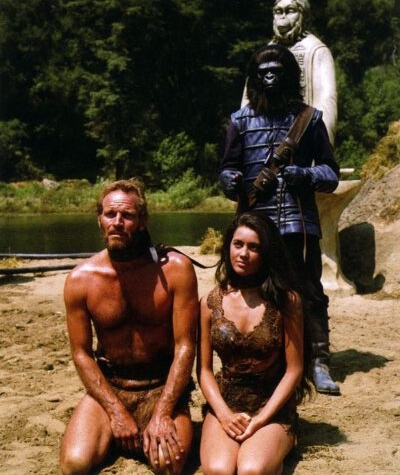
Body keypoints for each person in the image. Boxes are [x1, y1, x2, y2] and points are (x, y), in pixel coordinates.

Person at [220, 43, 341, 395]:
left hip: (298, 222)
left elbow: (331, 173)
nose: (270, 78)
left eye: (277, 72)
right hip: (254, 223)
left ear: (289, 77)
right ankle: (257, 356)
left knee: (309, 291)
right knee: (250, 291)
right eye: (264, 73)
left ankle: (318, 361)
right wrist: (229, 180)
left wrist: (306, 174)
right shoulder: (239, 121)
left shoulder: (310, 119)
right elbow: (227, 168)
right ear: (255, 79)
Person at [59, 179, 199, 475]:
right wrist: (116, 411)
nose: (118, 222)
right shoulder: (80, 279)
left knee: (168, 465)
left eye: (128, 215)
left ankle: (146, 428)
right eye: (110, 214)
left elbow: (186, 346)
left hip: (160, 386)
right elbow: (82, 354)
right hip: (112, 386)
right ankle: (112, 431)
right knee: (74, 464)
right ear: (99, 219)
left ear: (143, 220)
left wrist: (163, 412)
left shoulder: (175, 270)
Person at [197, 212, 313, 475]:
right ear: (228, 247)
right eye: (238, 244)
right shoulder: (209, 302)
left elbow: (294, 370)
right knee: (218, 470)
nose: (243, 254)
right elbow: (203, 370)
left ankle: (276, 449)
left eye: (254, 247)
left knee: (251, 469)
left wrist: (261, 419)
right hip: (226, 402)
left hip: (271, 405)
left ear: (266, 253)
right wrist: (224, 415)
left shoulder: (287, 301)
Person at [241, 0, 337, 145]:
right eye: (278, 12)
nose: (283, 17)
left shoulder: (316, 50)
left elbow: (326, 100)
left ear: (303, 16)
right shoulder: (266, 52)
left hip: (301, 137)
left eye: (290, 11)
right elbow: (249, 98)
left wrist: (323, 143)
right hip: (263, 139)